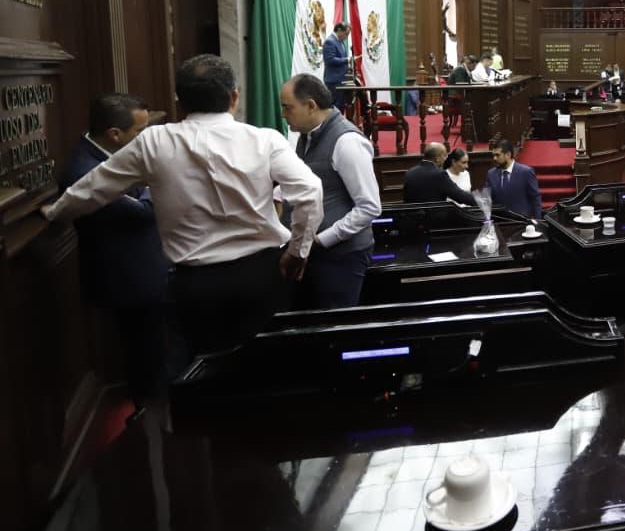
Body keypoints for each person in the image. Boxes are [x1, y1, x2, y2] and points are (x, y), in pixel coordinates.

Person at [44, 54, 324, 357]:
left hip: (196, 285)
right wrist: (298, 251)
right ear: (234, 97)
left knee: (203, 371)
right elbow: (310, 191)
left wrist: (56, 213)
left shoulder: (154, 142)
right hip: (262, 276)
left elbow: (91, 190)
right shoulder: (265, 140)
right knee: (268, 364)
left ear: (181, 103)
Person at [61, 93, 172, 408]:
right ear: (114, 134)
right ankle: (148, 417)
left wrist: (149, 188)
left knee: (153, 351)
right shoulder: (85, 171)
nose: (144, 138)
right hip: (128, 280)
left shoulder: (114, 154)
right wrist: (155, 187)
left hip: (145, 272)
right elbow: (143, 211)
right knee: (143, 357)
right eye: (139, 131)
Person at [280, 74, 381, 310]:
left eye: (288, 107)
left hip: (341, 257)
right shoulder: (306, 135)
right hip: (313, 252)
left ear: (311, 105)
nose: (284, 114)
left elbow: (370, 207)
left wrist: (320, 239)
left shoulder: (347, 142)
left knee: (332, 325)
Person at [486, 139, 543, 218]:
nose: (494, 158)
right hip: (500, 222)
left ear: (508, 154)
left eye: (497, 155)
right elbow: (488, 199)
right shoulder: (491, 174)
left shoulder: (526, 172)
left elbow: (535, 197)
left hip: (522, 221)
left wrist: (538, 220)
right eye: (493, 155)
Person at [323, 22, 352, 111]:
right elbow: (330, 60)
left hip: (341, 81)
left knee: (340, 109)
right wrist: (346, 60)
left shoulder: (340, 42)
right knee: (334, 110)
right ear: (339, 30)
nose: (346, 37)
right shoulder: (330, 41)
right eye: (346, 34)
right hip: (334, 82)